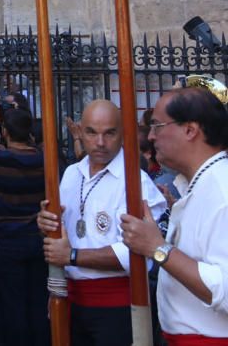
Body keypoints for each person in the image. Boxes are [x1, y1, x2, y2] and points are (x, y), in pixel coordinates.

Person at [35, 100, 166, 344]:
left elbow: (137, 253)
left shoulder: (135, 182)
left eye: (110, 133)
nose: (100, 143)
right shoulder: (73, 174)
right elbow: (66, 235)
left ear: (122, 134)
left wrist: (72, 256)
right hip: (71, 299)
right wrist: (48, 224)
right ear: (79, 132)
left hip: (118, 308)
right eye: (91, 132)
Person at [121, 86, 228, 342]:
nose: (151, 136)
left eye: (157, 126)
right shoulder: (198, 184)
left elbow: (224, 289)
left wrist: (157, 247)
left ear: (190, 130)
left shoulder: (222, 191)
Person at [0, 102, 48, 346]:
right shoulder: (41, 159)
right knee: (37, 300)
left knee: (12, 304)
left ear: (6, 132)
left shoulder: (0, 158)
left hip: (8, 238)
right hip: (37, 235)